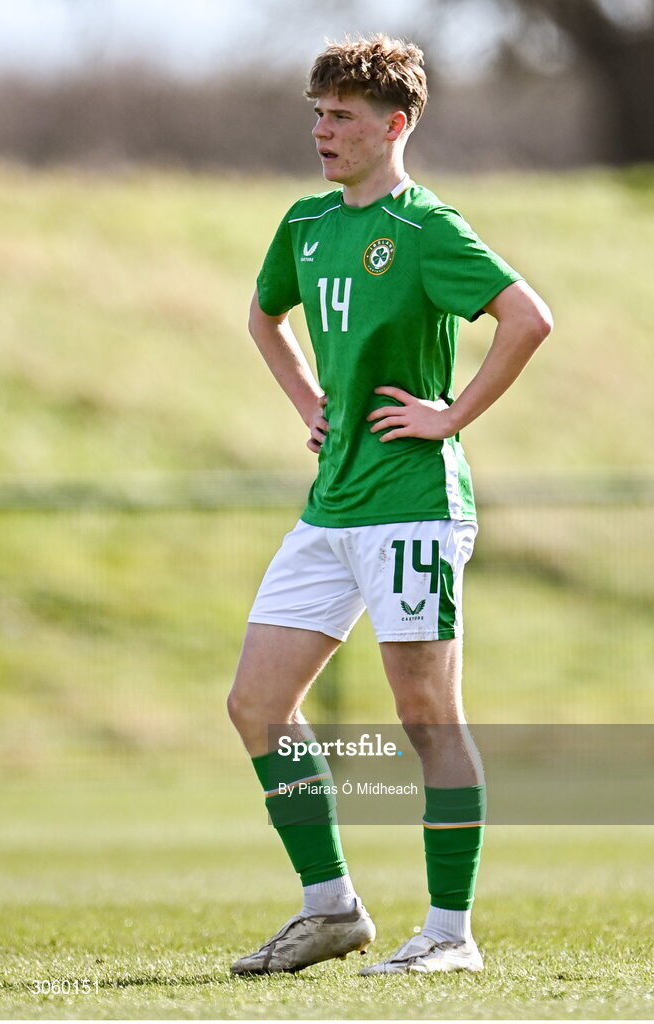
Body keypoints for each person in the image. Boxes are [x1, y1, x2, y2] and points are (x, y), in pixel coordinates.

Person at [227, 33, 552, 976]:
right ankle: (331, 911)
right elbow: (262, 314)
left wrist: (449, 415)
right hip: (331, 508)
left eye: (342, 117)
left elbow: (527, 318)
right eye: (317, 115)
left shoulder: (425, 228)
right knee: (256, 703)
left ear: (394, 125)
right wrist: (307, 405)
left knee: (425, 718)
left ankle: (450, 936)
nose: (322, 132)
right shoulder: (305, 224)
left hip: (412, 504)